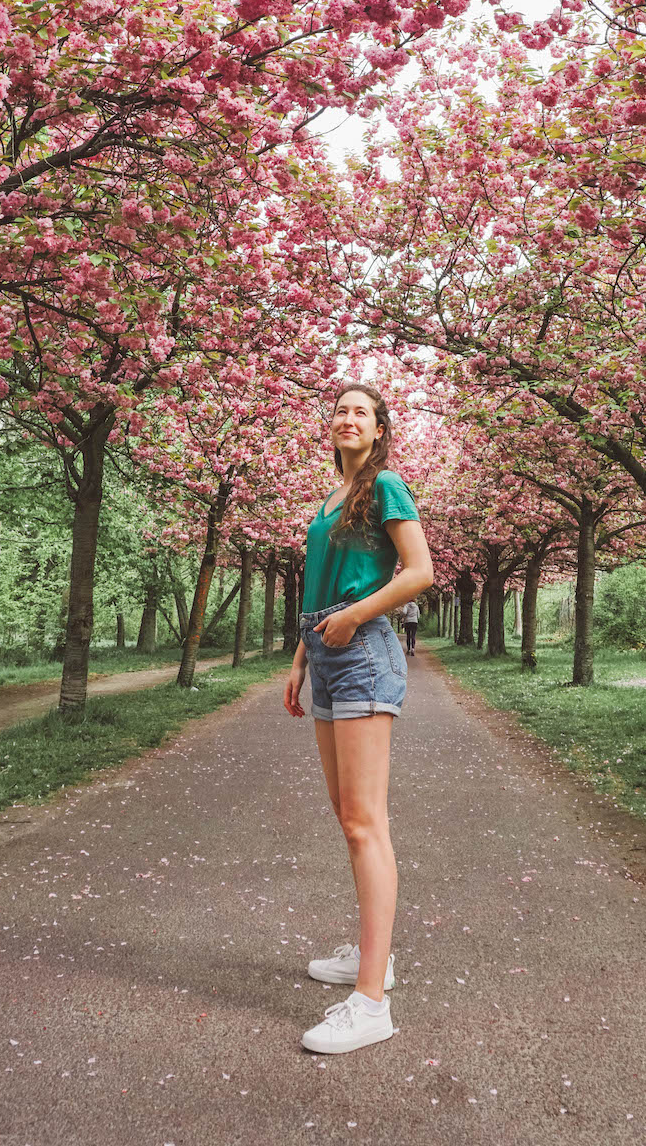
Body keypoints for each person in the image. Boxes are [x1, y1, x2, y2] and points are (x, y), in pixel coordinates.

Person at [284, 381, 433, 1055]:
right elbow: (317, 591)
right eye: (340, 410)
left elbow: (419, 571)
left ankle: (371, 1002)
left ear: (378, 430)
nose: (348, 418)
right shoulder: (328, 500)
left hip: (364, 649)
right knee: (348, 818)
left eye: (361, 412)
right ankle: (377, 956)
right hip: (324, 647)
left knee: (365, 821)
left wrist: (354, 615)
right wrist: (298, 658)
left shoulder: (385, 487)